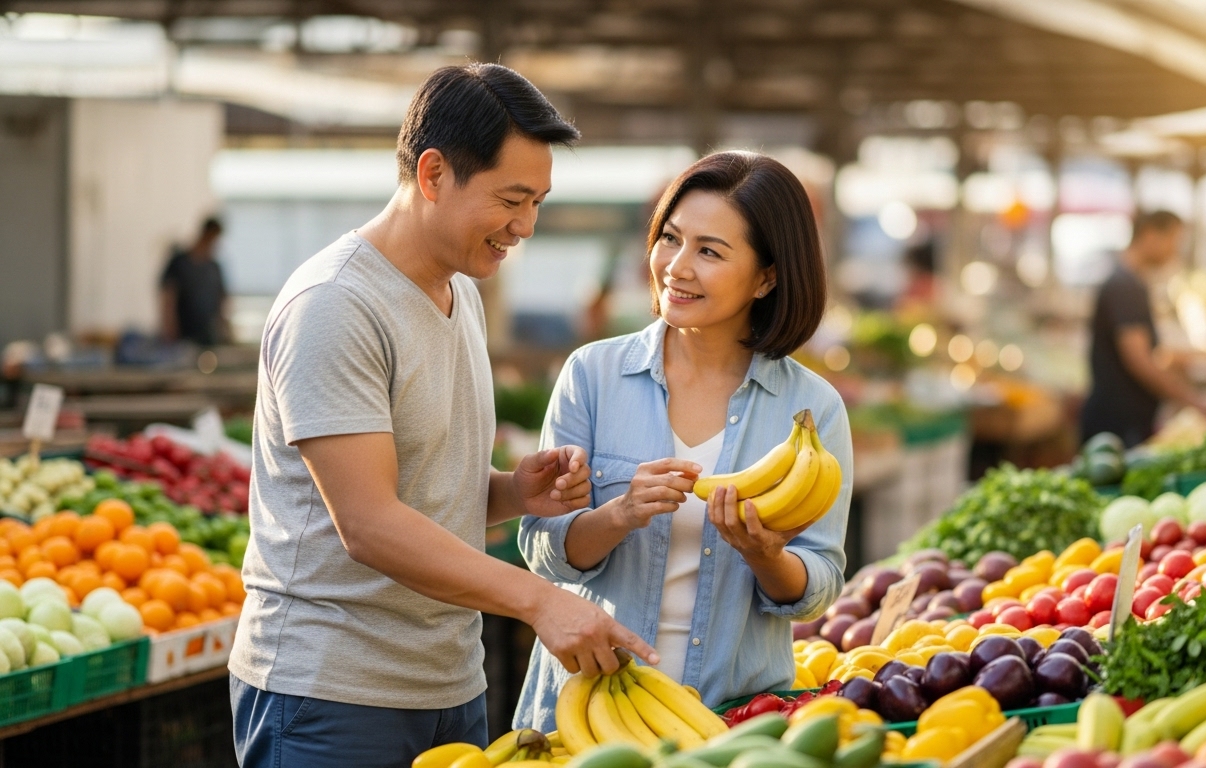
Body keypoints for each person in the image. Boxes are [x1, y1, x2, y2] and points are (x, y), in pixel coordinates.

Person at [228, 64, 657, 768]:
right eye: (511, 199)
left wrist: (513, 493)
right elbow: (368, 522)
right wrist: (540, 601)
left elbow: (421, 493)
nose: (525, 226)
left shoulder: (461, 293)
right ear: (433, 174)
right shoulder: (336, 305)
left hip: (447, 684)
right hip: (331, 696)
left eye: (538, 202)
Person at [513, 152, 852, 730]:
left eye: (710, 251)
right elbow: (542, 547)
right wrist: (617, 514)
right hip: (589, 712)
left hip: (731, 720)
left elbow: (819, 585)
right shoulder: (591, 376)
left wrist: (765, 555)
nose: (676, 266)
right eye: (670, 238)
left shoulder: (813, 409)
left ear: (767, 276)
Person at [1080, 210, 1206, 447]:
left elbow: (1145, 352)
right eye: (1173, 240)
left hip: (1122, 417)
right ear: (1150, 235)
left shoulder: (1129, 282)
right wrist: (1191, 400)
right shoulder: (1125, 286)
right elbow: (1139, 360)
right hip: (1118, 422)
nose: (1174, 250)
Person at [160, 217, 231, 346]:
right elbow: (168, 298)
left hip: (208, 337)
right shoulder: (180, 263)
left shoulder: (214, 268)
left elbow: (222, 301)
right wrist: (169, 330)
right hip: (182, 338)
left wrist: (224, 331)